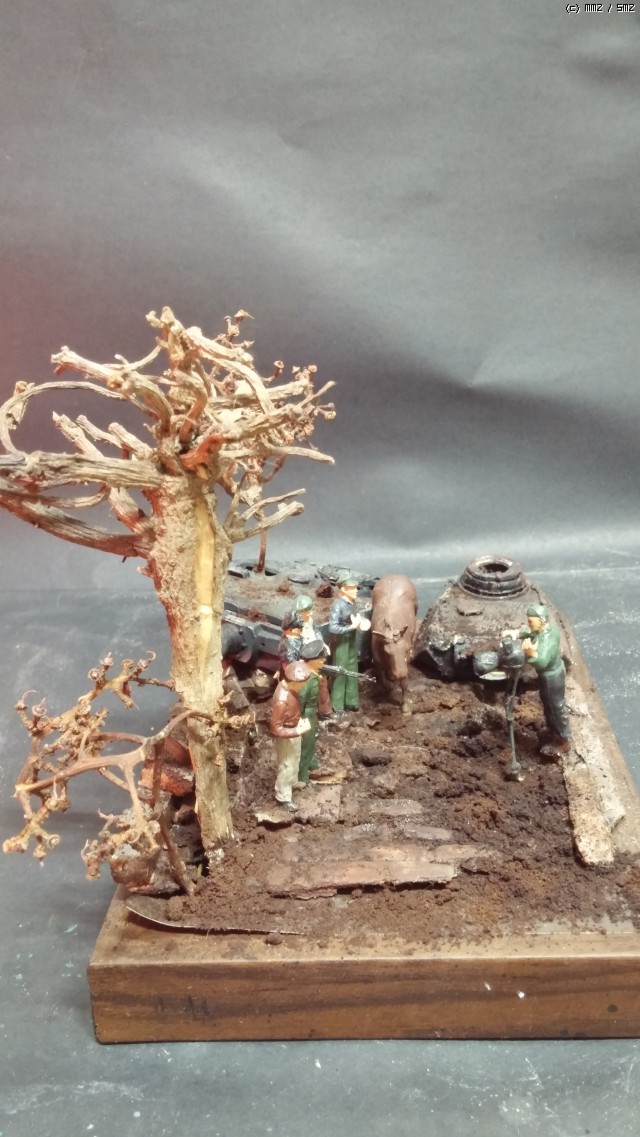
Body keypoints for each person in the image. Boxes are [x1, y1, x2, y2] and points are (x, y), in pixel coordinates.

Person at [518, 604, 571, 751]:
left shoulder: (547, 639)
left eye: (531, 621)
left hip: (551, 678)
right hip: (553, 674)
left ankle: (562, 740)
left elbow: (542, 662)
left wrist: (531, 653)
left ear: (541, 620)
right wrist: (523, 633)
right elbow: (536, 633)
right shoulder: (549, 630)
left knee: (554, 708)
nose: (529, 624)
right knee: (550, 706)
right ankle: (554, 732)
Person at [269, 660, 312, 811]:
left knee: (295, 759)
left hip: (294, 728)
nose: (305, 685)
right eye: (303, 683)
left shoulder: (292, 689)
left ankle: (292, 783)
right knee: (287, 765)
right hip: (287, 735)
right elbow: (275, 729)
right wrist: (296, 731)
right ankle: (283, 796)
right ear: (294, 682)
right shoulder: (282, 701)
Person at [328, 573, 370, 713]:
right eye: (353, 588)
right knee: (340, 671)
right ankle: (337, 705)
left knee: (352, 670)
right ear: (344, 589)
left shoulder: (352, 603)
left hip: (351, 640)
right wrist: (351, 627)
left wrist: (359, 624)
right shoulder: (338, 605)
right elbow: (332, 627)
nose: (356, 590)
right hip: (341, 642)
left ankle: (351, 702)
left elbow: (353, 619)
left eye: (356, 587)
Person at [297, 639, 333, 785]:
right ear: (312, 661)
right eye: (320, 660)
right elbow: (301, 701)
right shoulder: (306, 679)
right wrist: (300, 719)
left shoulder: (314, 675)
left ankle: (310, 761)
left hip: (312, 713)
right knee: (305, 744)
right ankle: (302, 774)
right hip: (305, 715)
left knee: (312, 740)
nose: (323, 662)